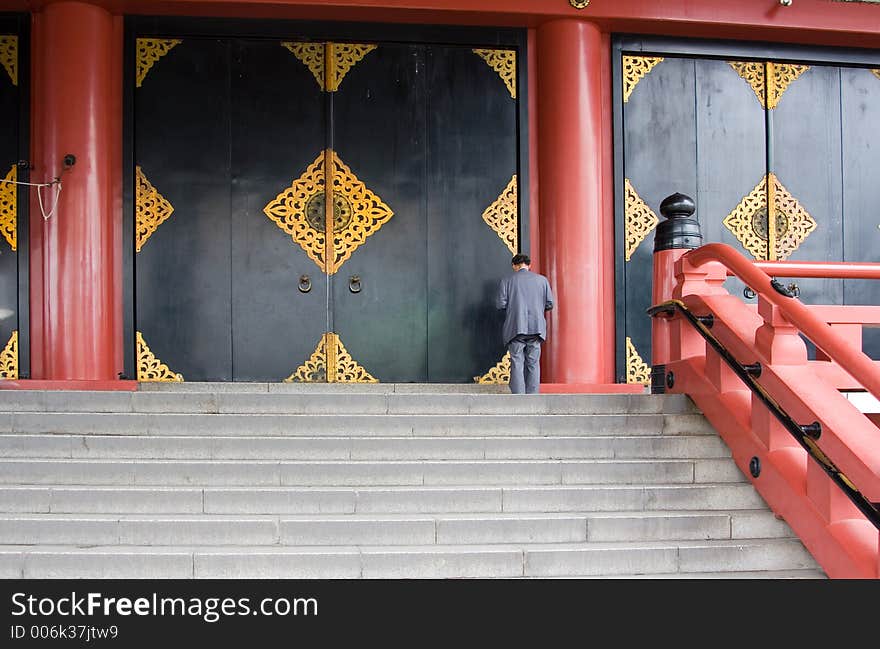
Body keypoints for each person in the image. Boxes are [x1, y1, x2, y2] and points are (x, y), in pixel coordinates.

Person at [496, 253, 553, 394]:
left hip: (515, 327)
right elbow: (549, 304)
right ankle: (532, 396)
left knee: (516, 361)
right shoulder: (542, 280)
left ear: (514, 266)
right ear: (529, 265)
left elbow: (500, 304)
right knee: (533, 363)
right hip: (536, 328)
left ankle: (518, 397)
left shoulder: (507, 280)